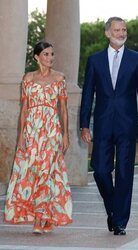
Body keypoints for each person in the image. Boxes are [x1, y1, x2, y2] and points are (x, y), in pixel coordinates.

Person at [80, 17, 138, 235]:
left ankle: (120, 222)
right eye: (117, 30)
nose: (121, 33)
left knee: (124, 173)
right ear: (107, 33)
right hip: (102, 124)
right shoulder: (95, 60)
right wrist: (84, 124)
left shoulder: (137, 59)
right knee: (100, 171)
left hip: (128, 125)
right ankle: (113, 209)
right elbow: (87, 94)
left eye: (124, 30)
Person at [4, 41, 73, 234]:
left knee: (47, 172)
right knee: (33, 172)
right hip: (32, 131)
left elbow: (64, 111)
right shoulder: (28, 78)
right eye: (46, 54)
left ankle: (39, 219)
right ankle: (46, 217)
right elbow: (24, 110)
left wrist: (65, 135)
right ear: (36, 57)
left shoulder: (60, 78)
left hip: (51, 130)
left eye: (52, 54)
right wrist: (20, 137)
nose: (50, 58)